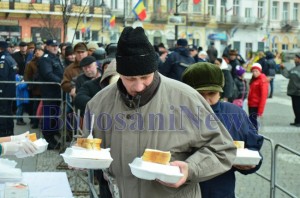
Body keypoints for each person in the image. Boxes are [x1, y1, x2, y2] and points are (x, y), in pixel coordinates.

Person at [82, 26, 236, 198]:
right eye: (130, 79)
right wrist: (82, 157)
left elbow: (222, 149)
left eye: (145, 77)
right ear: (119, 73)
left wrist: (190, 169)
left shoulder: (186, 98)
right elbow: (89, 146)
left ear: (154, 70)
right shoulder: (98, 104)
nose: (138, 86)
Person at [182, 62, 263, 198]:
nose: (206, 100)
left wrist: (251, 165)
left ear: (220, 92)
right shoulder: (174, 115)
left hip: (221, 191)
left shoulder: (235, 114)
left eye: (212, 93)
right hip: (183, 191)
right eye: (199, 94)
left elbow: (253, 150)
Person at [37, 39, 64, 150]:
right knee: (49, 115)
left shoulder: (55, 58)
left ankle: (52, 136)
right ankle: (48, 139)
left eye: (56, 46)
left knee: (54, 115)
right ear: (47, 47)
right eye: (52, 46)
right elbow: (48, 74)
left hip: (57, 92)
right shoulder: (45, 59)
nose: (55, 48)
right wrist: (61, 82)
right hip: (50, 92)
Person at [0, 41, 17, 137]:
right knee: (7, 112)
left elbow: (2, 77)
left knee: (3, 112)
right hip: (9, 91)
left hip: (4, 91)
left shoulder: (3, 59)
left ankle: (3, 133)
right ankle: (9, 132)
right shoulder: (9, 57)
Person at [280, 54, 300, 127]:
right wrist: (283, 68)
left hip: (298, 92)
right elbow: (288, 75)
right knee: (295, 107)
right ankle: (297, 120)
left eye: (296, 58)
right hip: (293, 92)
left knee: (298, 107)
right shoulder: (295, 68)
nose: (294, 59)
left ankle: (299, 121)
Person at [248, 63, 269, 130]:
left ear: (260, 71)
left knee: (253, 123)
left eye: (256, 71)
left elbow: (263, 96)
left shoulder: (262, 80)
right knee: (251, 122)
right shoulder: (254, 79)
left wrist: (260, 110)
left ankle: (255, 136)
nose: (254, 73)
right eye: (253, 71)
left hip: (256, 105)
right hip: (251, 104)